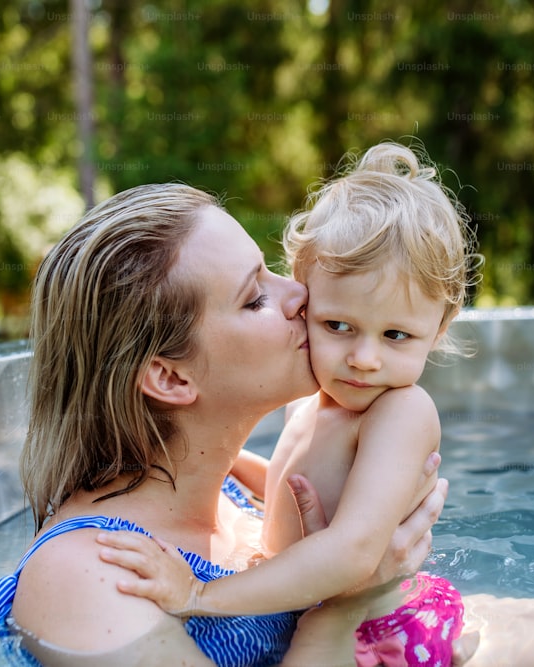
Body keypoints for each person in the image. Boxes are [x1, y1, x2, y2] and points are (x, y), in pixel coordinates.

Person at [0, 182, 453, 667]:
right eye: (255, 296)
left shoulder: (233, 493)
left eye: (271, 269)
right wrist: (342, 606)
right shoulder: (96, 577)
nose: (300, 297)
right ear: (170, 378)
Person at [96, 142, 480, 667]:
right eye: (337, 325)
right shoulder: (316, 402)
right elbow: (286, 479)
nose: (364, 359)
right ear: (307, 299)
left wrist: (199, 597)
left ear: (439, 328)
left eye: (396, 335)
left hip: (381, 634)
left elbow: (352, 552)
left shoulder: (401, 412)